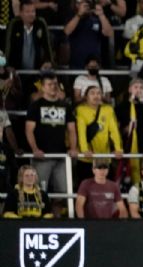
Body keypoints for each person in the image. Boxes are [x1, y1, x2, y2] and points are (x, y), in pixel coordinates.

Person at [25, 72, 78, 217]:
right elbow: (29, 130)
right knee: (39, 191)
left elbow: (72, 129)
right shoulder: (36, 106)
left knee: (62, 193)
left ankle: (57, 220)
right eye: (49, 84)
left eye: (55, 84)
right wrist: (35, 149)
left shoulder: (65, 105)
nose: (53, 87)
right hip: (42, 156)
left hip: (61, 156)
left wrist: (73, 148)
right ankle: (39, 220)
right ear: (42, 87)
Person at [115, 78, 143, 185]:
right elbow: (117, 129)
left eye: (141, 87)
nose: (139, 90)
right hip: (129, 147)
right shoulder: (121, 107)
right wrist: (127, 128)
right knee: (128, 181)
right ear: (130, 89)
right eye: (136, 87)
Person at [75, 86, 122, 184]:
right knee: (86, 188)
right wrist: (84, 150)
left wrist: (118, 148)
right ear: (85, 97)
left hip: (104, 157)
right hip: (87, 158)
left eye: (98, 93)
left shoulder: (108, 109)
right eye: (92, 93)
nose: (96, 96)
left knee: (107, 188)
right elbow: (81, 131)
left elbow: (114, 131)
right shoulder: (81, 110)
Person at [63, 0, 113, 69]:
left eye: (86, 2)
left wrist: (101, 15)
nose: (83, 5)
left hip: (94, 64)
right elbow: (67, 31)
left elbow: (109, 33)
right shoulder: (72, 17)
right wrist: (79, 15)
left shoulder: (97, 18)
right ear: (75, 5)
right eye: (79, 3)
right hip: (76, 63)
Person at [5, 0, 54, 69]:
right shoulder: (14, 24)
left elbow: (47, 45)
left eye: (33, 11)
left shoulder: (40, 23)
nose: (31, 14)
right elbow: (8, 47)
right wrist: (8, 65)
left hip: (37, 71)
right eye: (27, 12)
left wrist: (49, 62)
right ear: (21, 13)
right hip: (17, 71)